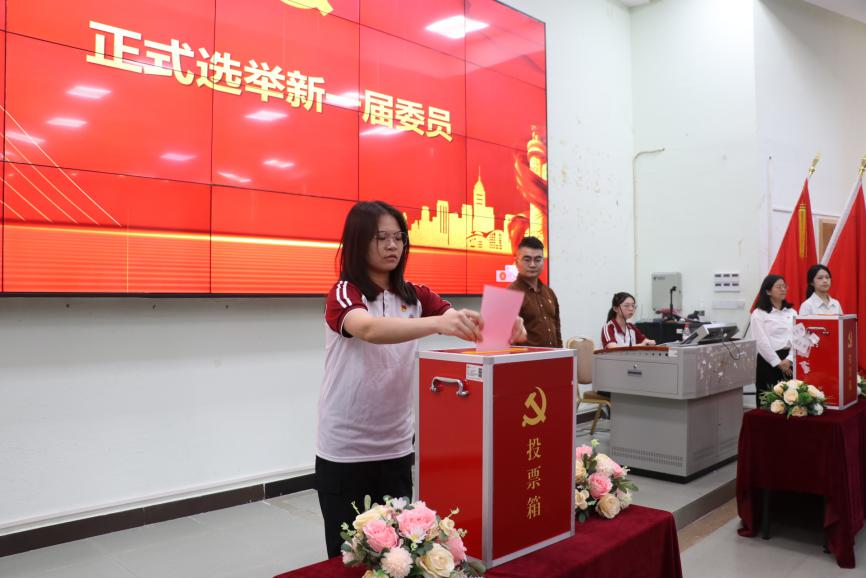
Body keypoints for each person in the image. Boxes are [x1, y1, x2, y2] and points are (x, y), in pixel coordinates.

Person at [315, 200, 526, 557]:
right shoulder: (344, 293)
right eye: (381, 238)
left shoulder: (415, 295)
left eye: (398, 237)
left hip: (397, 445)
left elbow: (459, 321)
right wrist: (438, 323)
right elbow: (368, 328)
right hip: (345, 450)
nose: (393, 246)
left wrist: (503, 325)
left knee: (399, 553)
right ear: (358, 242)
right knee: (348, 556)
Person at [750, 274, 797, 405]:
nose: (783, 289)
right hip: (769, 361)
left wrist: (790, 359)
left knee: (791, 402)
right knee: (769, 403)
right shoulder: (759, 314)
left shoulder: (792, 312)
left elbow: (799, 337)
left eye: (784, 286)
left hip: (790, 360)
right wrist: (778, 363)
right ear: (768, 291)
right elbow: (761, 342)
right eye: (778, 287)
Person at [508, 236, 562, 347]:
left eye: (537, 260)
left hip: (554, 356)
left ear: (543, 262)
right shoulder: (510, 294)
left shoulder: (549, 293)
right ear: (517, 263)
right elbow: (507, 340)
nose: (532, 264)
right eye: (527, 259)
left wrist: (561, 353)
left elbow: (557, 330)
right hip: (526, 357)